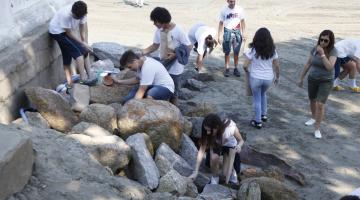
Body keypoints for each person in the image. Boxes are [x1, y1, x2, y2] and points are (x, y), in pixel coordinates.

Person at [141, 7, 191, 105]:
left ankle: (174, 111)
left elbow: (188, 46)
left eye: (155, 21)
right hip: (162, 65)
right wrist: (143, 51)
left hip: (175, 68)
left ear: (162, 21)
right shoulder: (159, 31)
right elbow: (155, 45)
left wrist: (175, 54)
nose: (154, 24)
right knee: (161, 87)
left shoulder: (178, 30)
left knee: (174, 92)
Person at [298, 30, 337, 139]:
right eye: (321, 39)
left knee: (320, 104)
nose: (323, 42)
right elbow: (308, 63)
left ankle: (317, 128)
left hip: (326, 81)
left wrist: (323, 54)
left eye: (326, 40)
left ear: (330, 41)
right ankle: (313, 117)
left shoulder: (333, 51)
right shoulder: (315, 48)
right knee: (312, 99)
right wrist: (301, 78)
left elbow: (330, 67)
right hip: (313, 79)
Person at [49, 1, 96, 88]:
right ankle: (83, 80)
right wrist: (82, 44)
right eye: (75, 17)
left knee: (74, 54)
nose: (76, 18)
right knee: (79, 54)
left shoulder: (83, 12)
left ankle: (72, 83)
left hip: (65, 32)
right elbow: (69, 33)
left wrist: (84, 42)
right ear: (72, 12)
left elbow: (82, 27)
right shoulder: (65, 15)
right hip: (57, 32)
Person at [189, 113, 244, 185]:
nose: (208, 133)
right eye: (206, 130)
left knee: (224, 174)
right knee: (214, 158)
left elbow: (241, 140)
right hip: (217, 145)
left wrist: (239, 146)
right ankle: (215, 177)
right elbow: (201, 151)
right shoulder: (209, 134)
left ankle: (232, 171)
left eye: (210, 130)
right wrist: (195, 171)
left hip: (229, 147)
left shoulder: (230, 128)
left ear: (217, 127)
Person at [243, 28, 280, 129]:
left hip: (255, 78)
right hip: (268, 79)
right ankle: (264, 115)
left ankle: (257, 121)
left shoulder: (252, 50)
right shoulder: (273, 51)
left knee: (257, 99)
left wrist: (248, 72)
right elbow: (277, 66)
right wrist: (277, 77)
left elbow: (245, 65)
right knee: (263, 94)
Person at [218, 0, 246, 77]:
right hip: (227, 32)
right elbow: (221, 23)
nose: (232, 3)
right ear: (227, 1)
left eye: (233, 1)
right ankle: (227, 69)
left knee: (236, 52)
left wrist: (244, 32)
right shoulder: (223, 10)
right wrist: (219, 35)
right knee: (227, 52)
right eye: (230, 1)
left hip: (237, 31)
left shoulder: (240, 9)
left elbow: (242, 21)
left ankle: (236, 68)